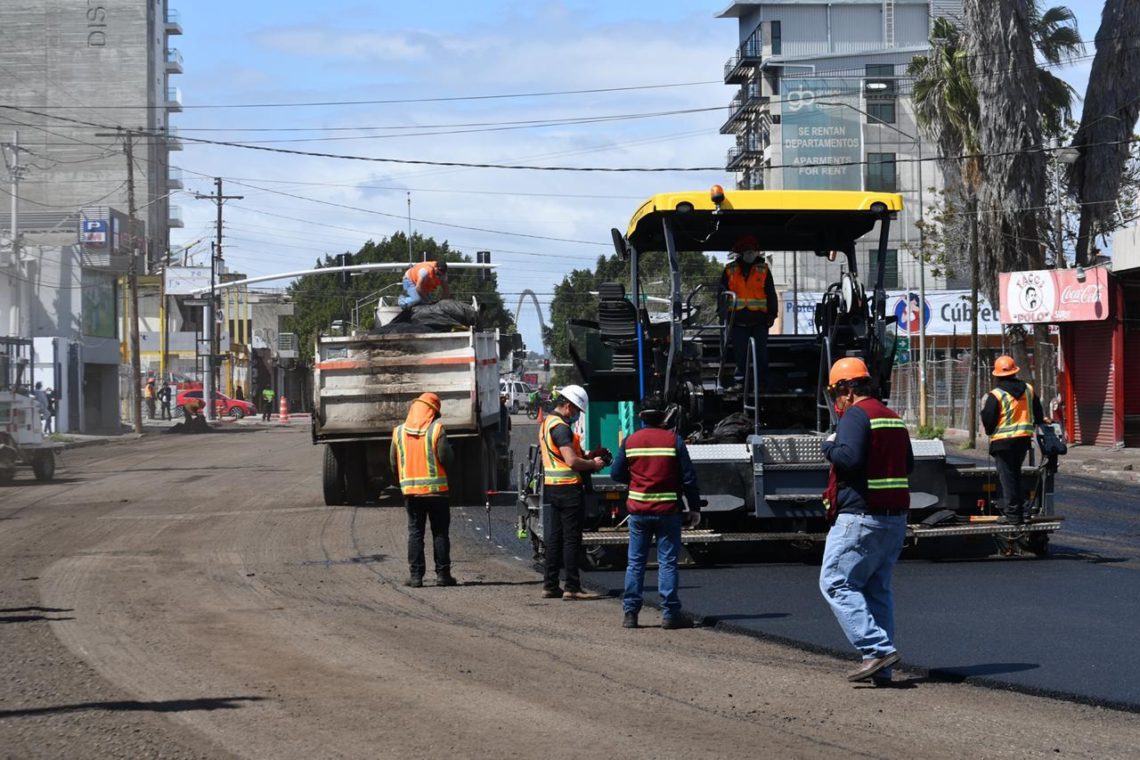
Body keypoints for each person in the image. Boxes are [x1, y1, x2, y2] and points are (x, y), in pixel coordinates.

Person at [819, 357, 914, 685]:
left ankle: (877, 649)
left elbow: (849, 459)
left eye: (836, 394)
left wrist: (828, 446)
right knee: (876, 589)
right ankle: (882, 668)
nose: (836, 402)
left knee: (835, 581)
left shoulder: (856, 416)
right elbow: (908, 465)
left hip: (860, 518)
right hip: (894, 520)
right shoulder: (892, 418)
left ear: (846, 389)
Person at [609, 396, 702, 630]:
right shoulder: (674, 441)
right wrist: (695, 508)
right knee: (668, 563)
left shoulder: (631, 441)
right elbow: (689, 479)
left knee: (635, 563)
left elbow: (616, 474)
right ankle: (670, 614)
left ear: (641, 417)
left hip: (639, 512)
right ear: (663, 417)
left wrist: (637, 481)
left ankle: (630, 614)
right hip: (668, 512)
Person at [539, 383, 607, 600]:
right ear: (567, 405)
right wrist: (593, 464)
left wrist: (586, 455)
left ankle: (550, 585)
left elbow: (562, 457)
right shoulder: (561, 427)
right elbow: (571, 461)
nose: (577, 415)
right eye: (577, 410)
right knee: (571, 539)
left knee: (555, 538)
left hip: (553, 488)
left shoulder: (547, 423)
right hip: (569, 489)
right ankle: (572, 587)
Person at [390, 392, 457, 588]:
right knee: (440, 533)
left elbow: (394, 463)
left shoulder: (399, 432)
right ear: (432, 412)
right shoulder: (437, 431)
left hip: (412, 494)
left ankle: (416, 576)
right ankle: (443, 576)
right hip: (437, 493)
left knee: (415, 533)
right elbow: (447, 458)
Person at [980, 355, 1046, 524]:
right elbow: (1038, 413)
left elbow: (988, 417)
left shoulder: (996, 394)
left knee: (1007, 478)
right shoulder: (1029, 390)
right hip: (1023, 441)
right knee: (1016, 475)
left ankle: (1014, 515)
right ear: (1015, 371)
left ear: (997, 375)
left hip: (1002, 442)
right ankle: (1022, 511)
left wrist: (990, 431)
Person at [719, 234, 778, 390]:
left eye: (753, 250)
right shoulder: (729, 269)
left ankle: (762, 382)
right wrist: (722, 315)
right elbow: (721, 294)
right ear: (741, 252)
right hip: (737, 321)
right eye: (747, 250)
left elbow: (771, 292)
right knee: (741, 354)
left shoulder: (764, 269)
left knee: (761, 353)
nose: (750, 253)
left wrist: (772, 314)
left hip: (759, 320)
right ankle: (740, 382)